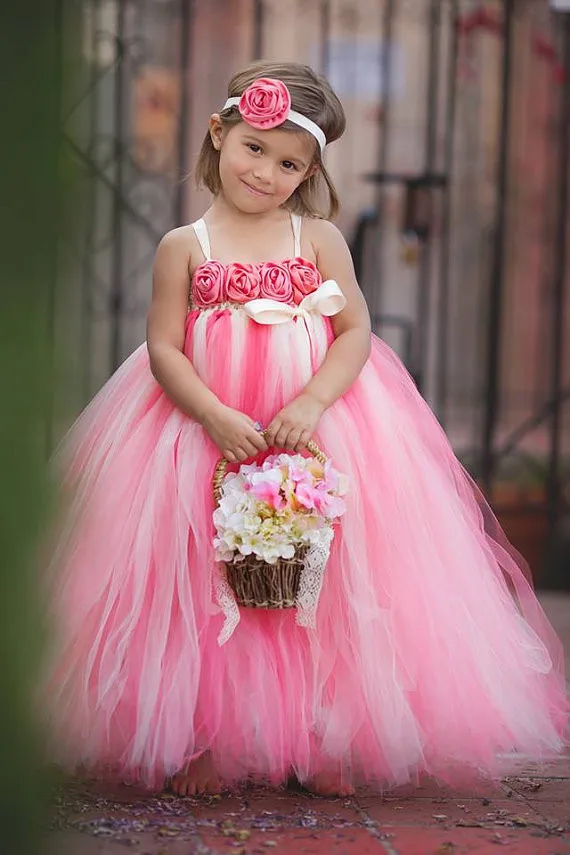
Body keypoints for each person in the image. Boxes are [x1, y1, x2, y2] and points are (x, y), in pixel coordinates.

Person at [44, 61, 567, 799]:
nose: (266, 172)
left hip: (314, 427)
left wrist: (315, 401)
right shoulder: (183, 246)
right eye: (255, 148)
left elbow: (354, 330)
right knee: (207, 574)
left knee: (317, 580)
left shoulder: (316, 238)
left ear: (309, 172)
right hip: (208, 428)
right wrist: (216, 415)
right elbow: (164, 347)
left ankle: (319, 736)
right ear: (220, 133)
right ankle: (206, 737)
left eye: (289, 163)